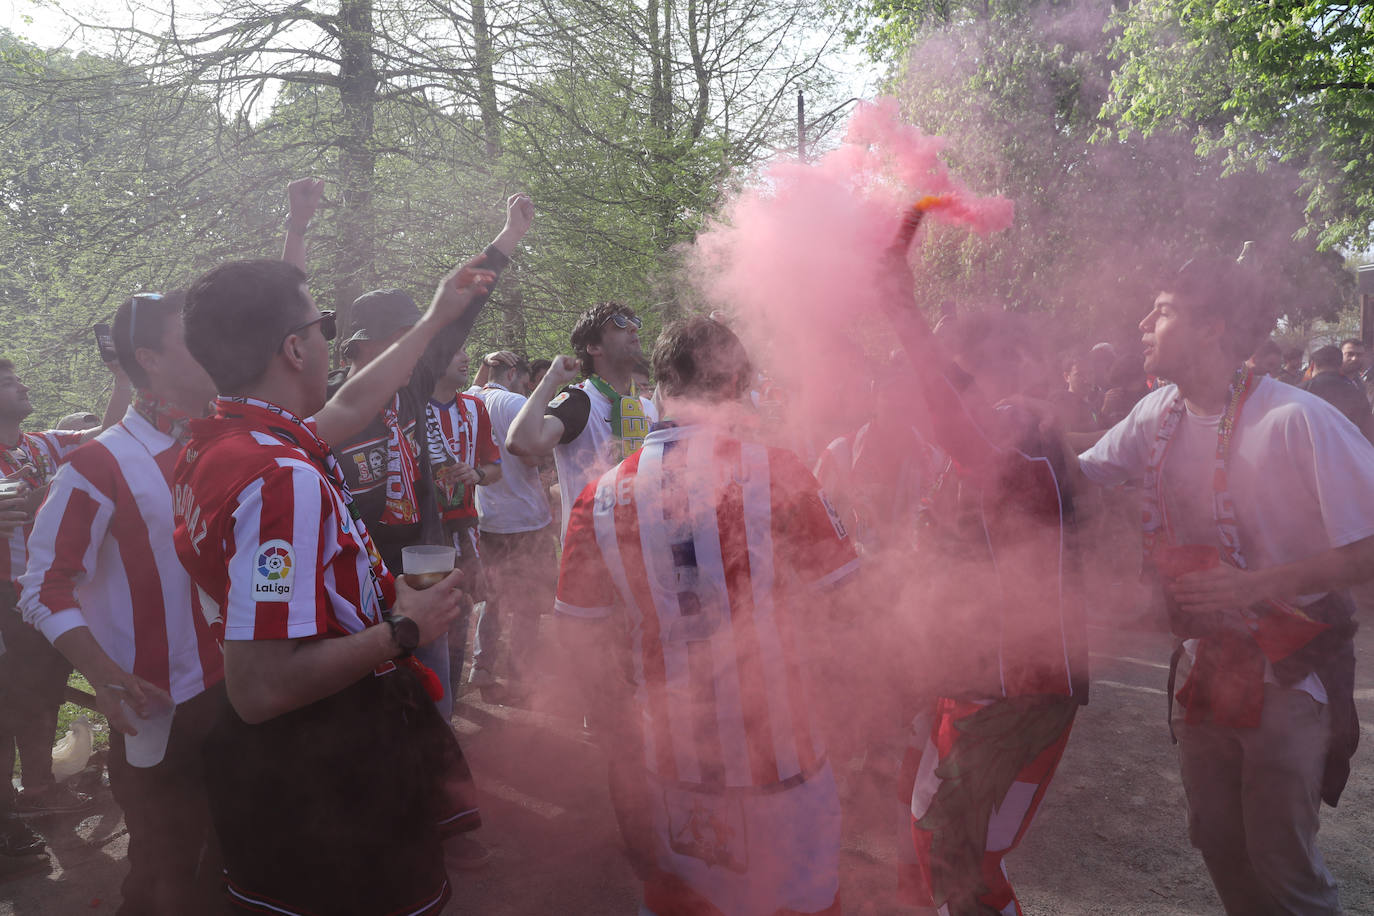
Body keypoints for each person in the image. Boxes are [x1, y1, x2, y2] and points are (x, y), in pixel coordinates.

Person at [172, 256, 495, 915]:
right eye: (322, 325)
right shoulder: (279, 475)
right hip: (324, 767)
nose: (329, 339)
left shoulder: (230, 441)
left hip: (283, 763)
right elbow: (260, 687)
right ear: (294, 347)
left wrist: (436, 316)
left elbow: (352, 401)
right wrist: (405, 629)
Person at [1076, 255, 1373, 915]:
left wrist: (1255, 586)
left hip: (1290, 672)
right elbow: (1077, 473)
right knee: (1219, 843)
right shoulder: (1158, 413)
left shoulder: (1296, 418)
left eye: (1163, 310)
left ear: (1211, 328)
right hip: (1206, 669)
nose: (1143, 322)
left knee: (1284, 868)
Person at [555, 316, 859, 916]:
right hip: (784, 758)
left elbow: (579, 646)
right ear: (739, 385)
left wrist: (623, 763)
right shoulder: (782, 472)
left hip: (668, 767)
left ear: (660, 384)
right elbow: (847, 608)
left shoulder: (602, 495)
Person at [0, 355, 129, 844]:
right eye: (9, 383)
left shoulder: (43, 444)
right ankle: (12, 812)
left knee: (46, 694)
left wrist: (120, 379)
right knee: (13, 706)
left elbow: (109, 434)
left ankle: (38, 789)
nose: (22, 386)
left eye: (19, 377)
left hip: (52, 595)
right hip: (5, 599)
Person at [506, 302, 657, 539]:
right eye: (619, 324)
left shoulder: (646, 407)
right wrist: (551, 380)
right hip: (591, 554)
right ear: (594, 346)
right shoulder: (579, 401)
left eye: (634, 323)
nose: (632, 329)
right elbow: (520, 443)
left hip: (644, 545)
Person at [466, 352, 556, 700]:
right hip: (527, 516)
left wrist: (484, 364)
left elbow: (474, 386)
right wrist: (548, 456)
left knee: (493, 597)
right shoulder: (517, 401)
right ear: (514, 373)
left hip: (488, 517)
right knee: (528, 601)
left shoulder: (472, 400)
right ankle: (521, 672)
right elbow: (531, 454)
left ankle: (482, 666)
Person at [426, 347, 502, 696]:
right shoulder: (408, 405)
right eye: (453, 350)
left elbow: (495, 469)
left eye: (465, 348)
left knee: (459, 616)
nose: (465, 356)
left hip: (464, 531)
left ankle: (449, 703)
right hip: (421, 535)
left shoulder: (475, 407)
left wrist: (476, 473)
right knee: (425, 618)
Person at [1301, 345, 1372, 435]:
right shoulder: (1357, 393)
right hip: (1346, 445)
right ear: (1340, 365)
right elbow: (1368, 431)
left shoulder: (1301, 390)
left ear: (1312, 365)